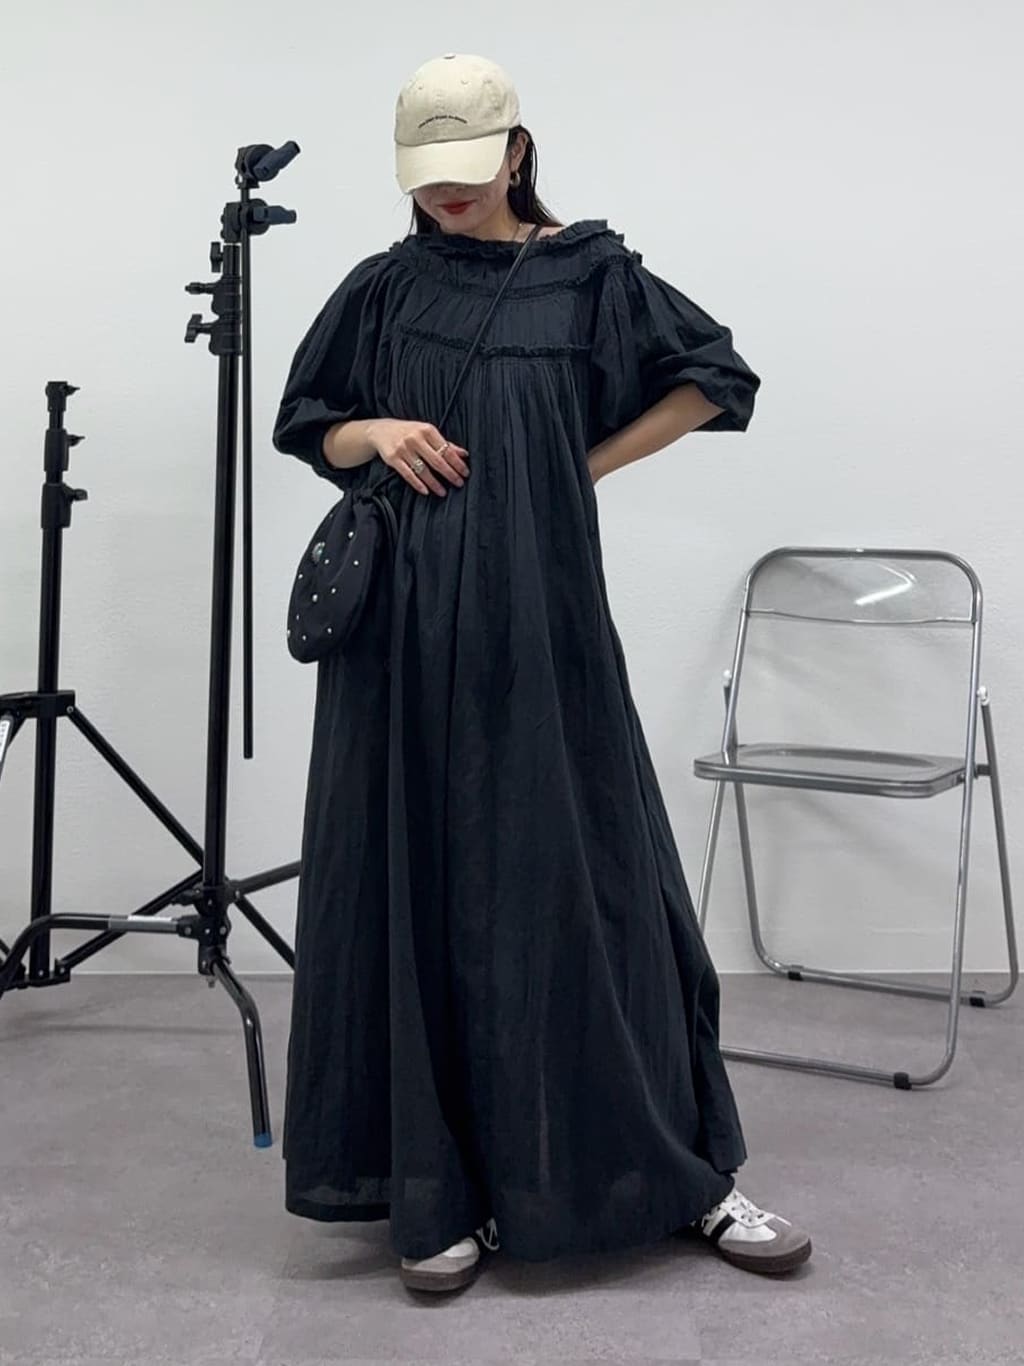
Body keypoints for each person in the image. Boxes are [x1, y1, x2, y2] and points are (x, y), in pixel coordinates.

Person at [272, 51, 812, 1294]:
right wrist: (374, 431)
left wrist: (577, 465)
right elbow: (307, 420)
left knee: (593, 875)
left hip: (540, 611)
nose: (448, 191)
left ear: (517, 150)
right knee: (418, 883)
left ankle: (677, 1172)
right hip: (401, 635)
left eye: (469, 166)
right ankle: (436, 1190)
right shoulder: (384, 286)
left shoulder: (590, 276)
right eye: (427, 173)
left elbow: (714, 376)